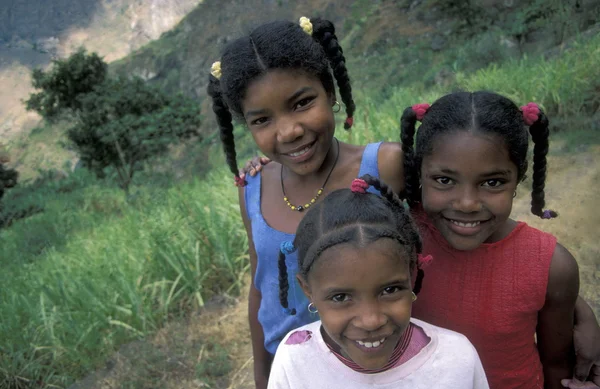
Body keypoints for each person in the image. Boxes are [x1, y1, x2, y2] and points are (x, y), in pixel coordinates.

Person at [241, 91, 600, 388]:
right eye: (444, 180)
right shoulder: (393, 240)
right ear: (418, 173)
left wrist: (580, 312)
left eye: (492, 182)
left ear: (518, 177)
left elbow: (558, 367)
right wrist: (273, 166)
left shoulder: (552, 265)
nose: (467, 203)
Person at [207, 16, 403, 388]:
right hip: (294, 374)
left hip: (380, 365)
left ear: (330, 93)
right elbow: (260, 285)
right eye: (262, 119)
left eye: (302, 103)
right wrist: (263, 375)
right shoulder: (253, 186)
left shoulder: (384, 166)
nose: (289, 131)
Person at [268, 175, 489, 388]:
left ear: (412, 276)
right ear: (308, 291)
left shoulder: (457, 360)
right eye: (340, 297)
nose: (371, 321)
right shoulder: (295, 359)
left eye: (390, 290)